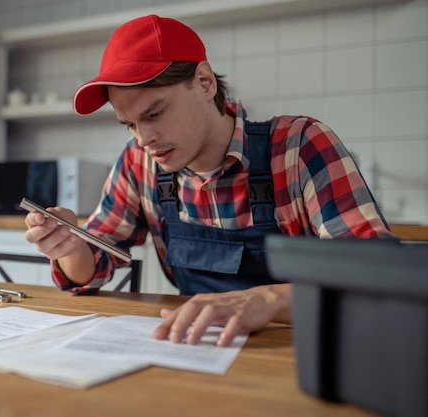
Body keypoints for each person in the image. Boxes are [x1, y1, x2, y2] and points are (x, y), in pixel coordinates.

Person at [24, 15, 392, 347]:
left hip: (298, 352)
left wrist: (265, 300)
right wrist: (72, 247)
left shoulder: (299, 145)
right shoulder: (139, 163)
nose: (143, 138)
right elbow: (95, 263)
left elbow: (377, 274)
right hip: (199, 350)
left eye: (155, 113)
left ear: (203, 82)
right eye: (131, 124)